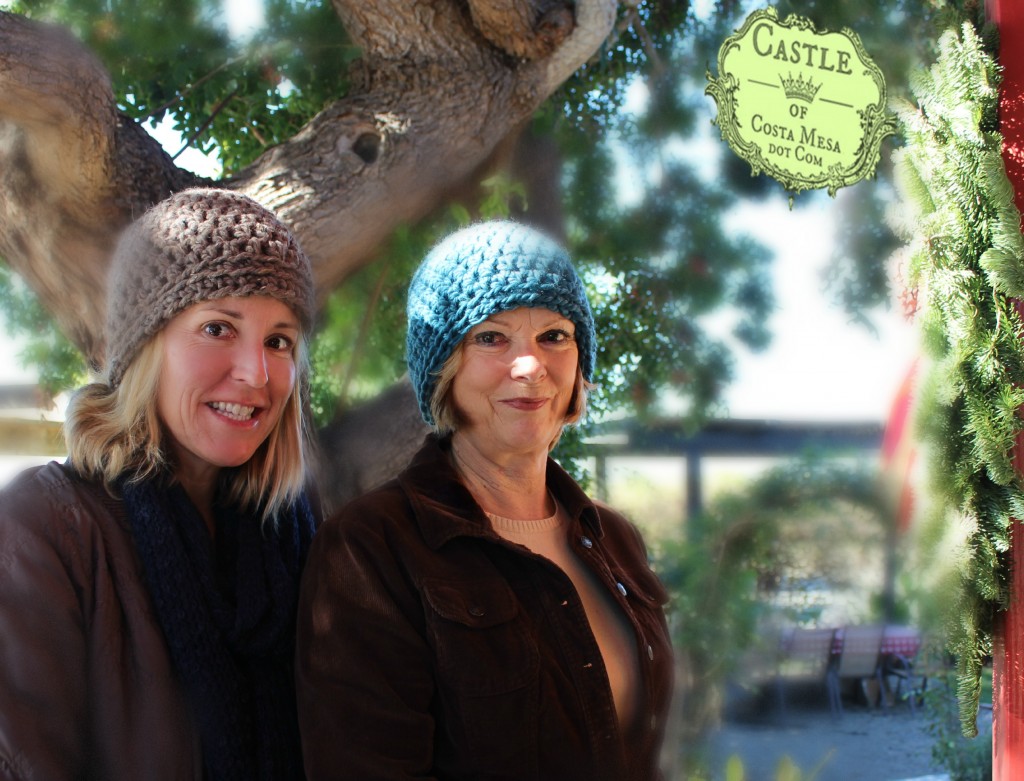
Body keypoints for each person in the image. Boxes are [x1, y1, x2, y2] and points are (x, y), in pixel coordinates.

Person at [296, 220, 674, 780]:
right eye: (492, 338)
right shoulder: (369, 549)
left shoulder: (615, 539)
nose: (531, 366)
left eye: (555, 336)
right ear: (444, 369)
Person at [0, 188, 319, 780]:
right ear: (145, 347)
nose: (257, 373)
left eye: (280, 341)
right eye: (218, 327)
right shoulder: (43, 527)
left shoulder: (297, 534)